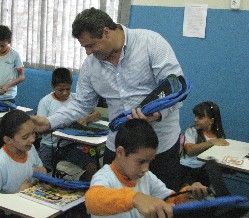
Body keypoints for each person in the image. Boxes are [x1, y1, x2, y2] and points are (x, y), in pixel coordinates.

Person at [32, 7, 184, 191]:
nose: (88, 52)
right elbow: (81, 104)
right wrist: (49, 122)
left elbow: (177, 88)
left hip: (160, 147)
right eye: (84, 47)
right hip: (119, 146)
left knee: (162, 205)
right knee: (113, 204)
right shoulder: (90, 66)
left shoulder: (151, 43)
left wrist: (156, 113)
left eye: (91, 45)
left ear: (106, 32)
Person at [85, 119, 208, 218]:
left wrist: (187, 193)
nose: (145, 168)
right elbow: (92, 201)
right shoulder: (104, 177)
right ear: (120, 152)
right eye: (141, 161)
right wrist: (135, 198)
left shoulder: (146, 176)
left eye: (149, 161)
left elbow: (169, 200)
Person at [37, 67, 101, 181]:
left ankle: (83, 189)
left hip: (70, 145)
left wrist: (86, 119)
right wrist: (61, 124)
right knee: (43, 174)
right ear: (53, 87)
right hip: (49, 146)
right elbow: (39, 129)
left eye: (68, 89)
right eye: (60, 90)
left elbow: (97, 113)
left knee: (92, 167)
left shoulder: (76, 98)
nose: (65, 93)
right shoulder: (45, 102)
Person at [0, 109, 46, 194]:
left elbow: (39, 167)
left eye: (33, 133)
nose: (32, 139)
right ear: (8, 140)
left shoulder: (30, 149)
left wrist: (42, 171)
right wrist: (18, 194)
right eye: (25, 137)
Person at [180, 101, 229, 186]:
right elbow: (190, 151)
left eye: (200, 117)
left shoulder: (219, 136)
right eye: (195, 116)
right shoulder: (192, 131)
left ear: (211, 120)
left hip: (204, 171)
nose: (195, 119)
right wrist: (212, 142)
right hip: (187, 169)